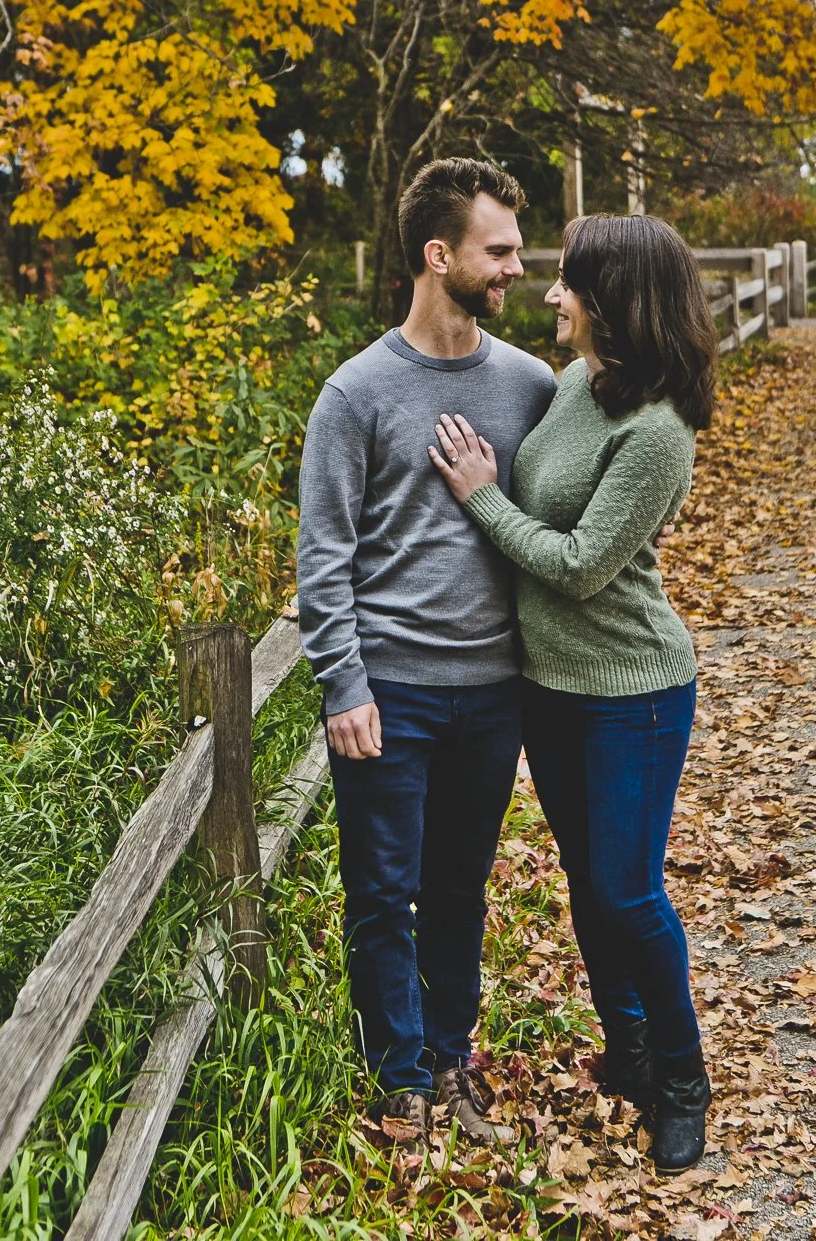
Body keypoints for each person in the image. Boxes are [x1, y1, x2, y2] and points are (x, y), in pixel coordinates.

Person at [428, 212, 719, 1175]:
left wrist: (481, 495)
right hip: (549, 688)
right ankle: (629, 1047)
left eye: (570, 283)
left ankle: (682, 1080)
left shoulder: (656, 432)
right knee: (590, 888)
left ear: (615, 300)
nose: (551, 295)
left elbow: (583, 563)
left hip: (632, 691)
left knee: (629, 891)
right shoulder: (573, 388)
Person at [297, 157, 556, 1153]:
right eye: (498, 252)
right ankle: (395, 1081)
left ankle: (449, 1061)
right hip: (390, 694)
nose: (515, 269)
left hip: (493, 692)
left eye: (516, 251)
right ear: (437, 254)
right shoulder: (355, 393)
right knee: (381, 893)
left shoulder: (530, 385)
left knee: (458, 888)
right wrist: (342, 683)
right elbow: (324, 555)